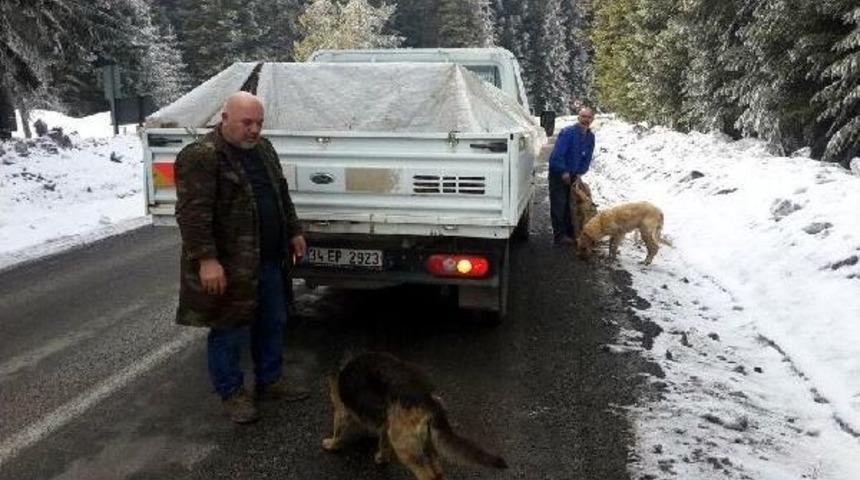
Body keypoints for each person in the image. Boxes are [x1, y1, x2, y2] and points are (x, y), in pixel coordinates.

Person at [174, 91, 308, 424]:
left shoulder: (264, 149)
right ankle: (232, 393)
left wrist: (293, 230)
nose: (253, 130)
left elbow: (279, 194)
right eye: (246, 122)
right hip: (230, 265)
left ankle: (270, 380)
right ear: (225, 118)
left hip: (268, 259)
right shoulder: (202, 156)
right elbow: (193, 214)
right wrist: (207, 260)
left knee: (272, 322)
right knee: (229, 330)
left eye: (259, 123)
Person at [547, 106, 595, 245]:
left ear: (592, 119)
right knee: (559, 204)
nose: (585, 120)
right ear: (578, 117)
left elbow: (587, 157)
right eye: (583, 117)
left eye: (588, 117)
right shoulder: (568, 133)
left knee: (571, 205)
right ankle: (559, 236)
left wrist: (580, 173)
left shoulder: (590, 137)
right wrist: (563, 171)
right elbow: (557, 155)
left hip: (573, 175)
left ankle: (570, 233)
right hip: (559, 173)